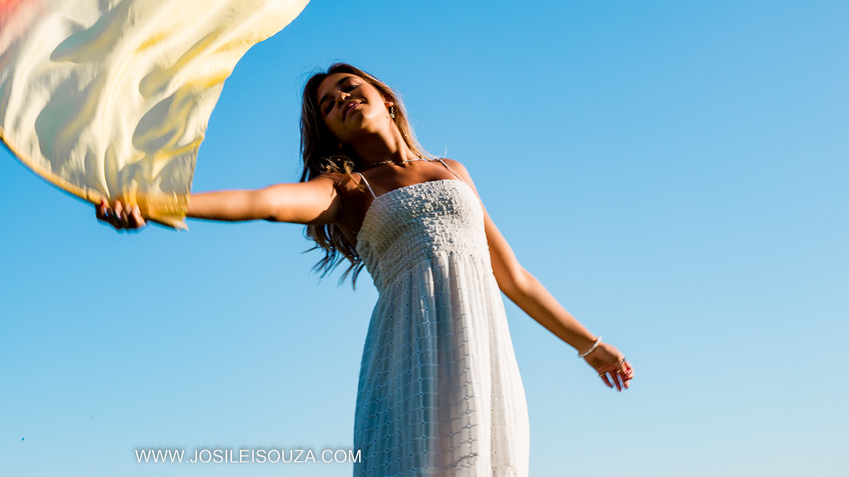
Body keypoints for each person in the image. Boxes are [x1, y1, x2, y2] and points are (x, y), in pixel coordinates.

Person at [97, 63, 633, 476]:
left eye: (351, 87)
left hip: (481, 349)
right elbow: (261, 200)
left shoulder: (452, 170)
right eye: (330, 104)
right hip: (408, 352)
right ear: (331, 131)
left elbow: (513, 275)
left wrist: (589, 345)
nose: (344, 99)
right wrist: (159, 202)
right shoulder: (347, 190)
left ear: (386, 98)